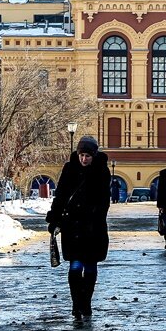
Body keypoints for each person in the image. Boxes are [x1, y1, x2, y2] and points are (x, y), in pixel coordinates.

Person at [46, 136, 111, 320]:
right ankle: (76, 304)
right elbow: (61, 196)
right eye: (82, 155)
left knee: (90, 267)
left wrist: (94, 217)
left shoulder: (102, 171)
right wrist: (55, 218)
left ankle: (86, 303)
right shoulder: (69, 169)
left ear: (94, 155)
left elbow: (104, 201)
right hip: (72, 227)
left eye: (88, 156)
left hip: (93, 228)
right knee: (75, 267)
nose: (84, 159)